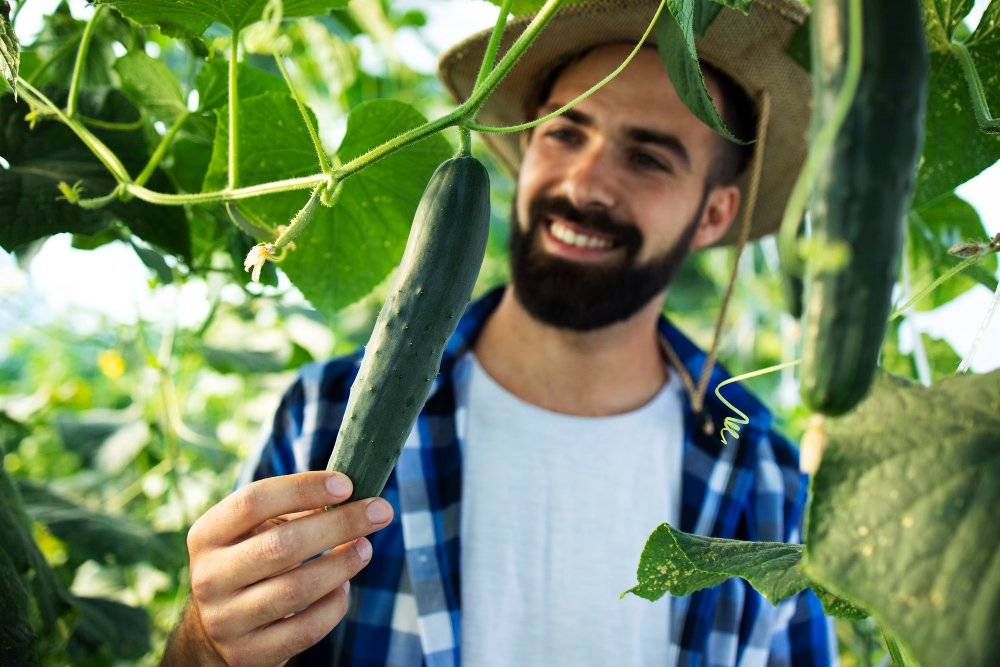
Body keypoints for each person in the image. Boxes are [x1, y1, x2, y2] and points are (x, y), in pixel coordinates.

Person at [163, 0, 837, 665]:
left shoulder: (767, 479)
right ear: (525, 147)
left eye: (648, 159)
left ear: (716, 214)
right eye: (565, 134)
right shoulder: (323, 415)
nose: (585, 181)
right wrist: (206, 644)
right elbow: (211, 648)